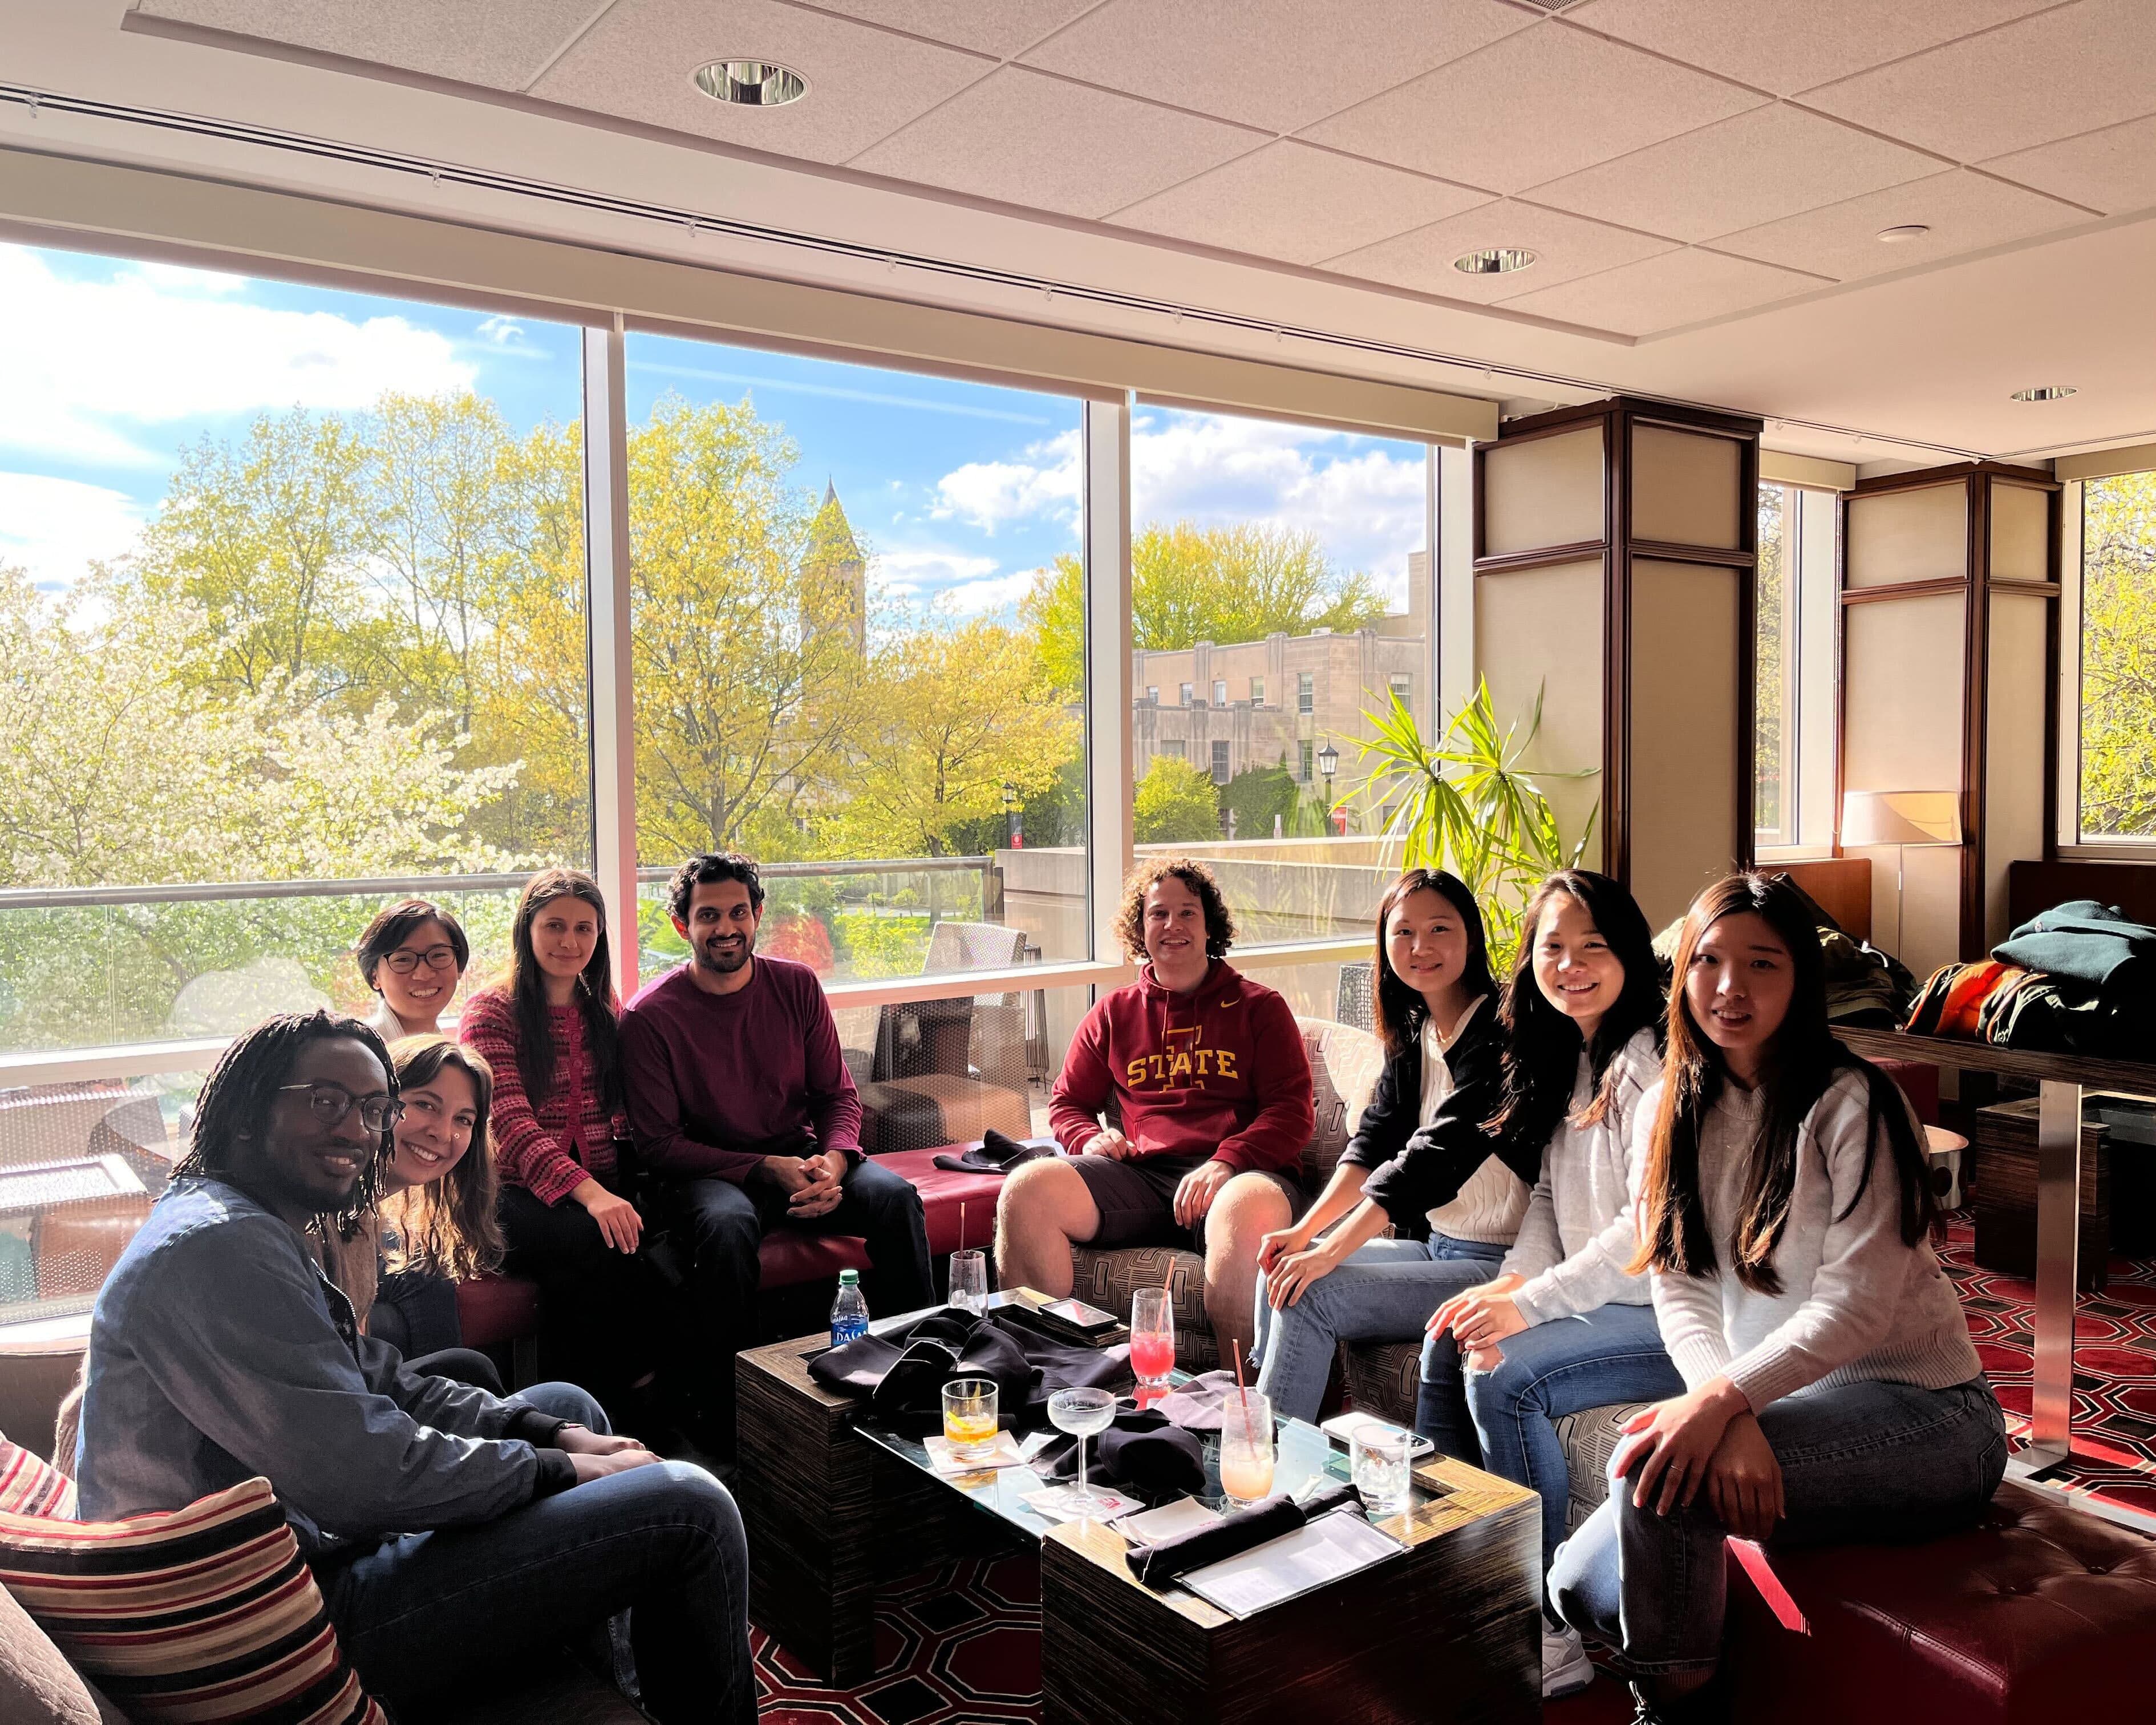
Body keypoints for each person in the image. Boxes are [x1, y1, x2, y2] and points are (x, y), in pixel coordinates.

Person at [73, 1011, 753, 1725]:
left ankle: (605, 1691)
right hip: (266, 1620)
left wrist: (547, 1435)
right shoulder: (220, 1247)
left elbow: (379, 1376)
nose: (358, 1131)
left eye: (373, 1110)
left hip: (299, 1557)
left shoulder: (246, 1222)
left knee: (568, 1408)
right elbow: (366, 1478)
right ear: (248, 1111)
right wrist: (557, 1470)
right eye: (326, 1102)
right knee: (693, 1507)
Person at [1548, 873, 2005, 1724]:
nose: (1731, 988)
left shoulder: (1854, 1103)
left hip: (1933, 1415)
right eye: (1710, 962)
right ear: (1682, 974)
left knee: (1662, 1483)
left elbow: (1857, 1309)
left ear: (1801, 980)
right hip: (1795, 1403)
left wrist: (1726, 1402)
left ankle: (1672, 1712)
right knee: (1573, 1585)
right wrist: (1734, 1413)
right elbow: (1677, 1285)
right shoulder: (1672, 1110)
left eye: (1763, 964)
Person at [1420, 870, 1678, 1699]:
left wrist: (1525, 1307)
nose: (1569, 965)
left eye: (1592, 946)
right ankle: (1462, 1575)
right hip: (1604, 1300)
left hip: (1668, 1314)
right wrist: (1507, 1287)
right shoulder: (1573, 1054)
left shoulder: (1654, 1064)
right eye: (1551, 947)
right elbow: (1547, 1199)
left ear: (1630, 954)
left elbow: (1640, 1235)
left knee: (1505, 1375)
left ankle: (1550, 1629)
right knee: (1447, 1339)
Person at [619, 852, 933, 1453]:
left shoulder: (795, 985)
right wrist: (763, 1169)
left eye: (739, 911)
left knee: (897, 1200)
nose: (727, 927)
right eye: (708, 915)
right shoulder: (650, 1016)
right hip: (708, 1172)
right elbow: (659, 1145)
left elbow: (837, 1095)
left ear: (758, 915)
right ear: (682, 925)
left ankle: (914, 1371)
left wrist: (836, 1162)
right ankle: (730, 1412)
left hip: (803, 1159)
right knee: (728, 1225)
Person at [998, 857, 1314, 1360]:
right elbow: (1067, 1102)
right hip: (1145, 1180)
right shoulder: (1113, 1013)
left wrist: (1226, 1161)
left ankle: (1248, 1409)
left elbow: (1292, 1112)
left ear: (1210, 926)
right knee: (1027, 1189)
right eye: (1158, 914)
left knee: (1239, 1209)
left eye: (1188, 913)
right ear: (1139, 928)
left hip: (1245, 1177)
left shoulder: (1260, 1007)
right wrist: (1087, 1138)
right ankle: (1053, 1373)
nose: (1173, 926)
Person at [1251, 867, 1515, 1421]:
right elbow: (1373, 1145)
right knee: (1282, 1265)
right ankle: (1286, 1419)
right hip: (1439, 1245)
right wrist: (1304, 1234)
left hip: (1501, 1264)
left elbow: (1428, 1164)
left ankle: (1266, 1460)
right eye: (1403, 932)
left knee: (1311, 1290)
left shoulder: (1499, 1034)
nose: (1421, 947)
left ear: (1471, 935)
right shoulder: (1417, 1027)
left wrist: (1331, 1250)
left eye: (1440, 929)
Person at [460, 870, 666, 1420]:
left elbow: (620, 1109)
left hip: (594, 1184)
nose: (569, 942)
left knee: (586, 1268)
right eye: (554, 926)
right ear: (526, 929)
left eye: (584, 929)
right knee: (597, 1246)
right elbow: (508, 1120)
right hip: (505, 1193)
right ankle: (637, 1400)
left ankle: (578, 1420)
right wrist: (592, 1194)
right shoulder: (491, 1011)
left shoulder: (604, 1010)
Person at [355, 898, 469, 1042]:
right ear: (374, 976)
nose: (424, 974)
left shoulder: (443, 1047)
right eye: (403, 960)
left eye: (439, 955)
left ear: (459, 966)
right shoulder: (362, 1052)